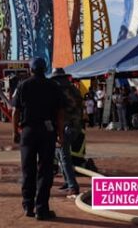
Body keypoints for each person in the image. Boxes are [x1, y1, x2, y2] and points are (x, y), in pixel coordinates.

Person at [12, 58, 64, 221]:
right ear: (45, 69)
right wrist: (60, 135)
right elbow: (60, 114)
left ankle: (28, 206)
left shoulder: (23, 86)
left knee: (28, 169)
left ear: (31, 69)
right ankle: (42, 208)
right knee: (45, 170)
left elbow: (15, 112)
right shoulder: (53, 86)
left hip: (28, 131)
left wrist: (15, 132)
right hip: (47, 132)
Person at [50, 68, 81, 196]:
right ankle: (68, 182)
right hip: (74, 126)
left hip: (66, 127)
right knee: (59, 154)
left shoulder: (60, 92)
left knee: (63, 156)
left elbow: (59, 110)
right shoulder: (74, 89)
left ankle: (72, 185)